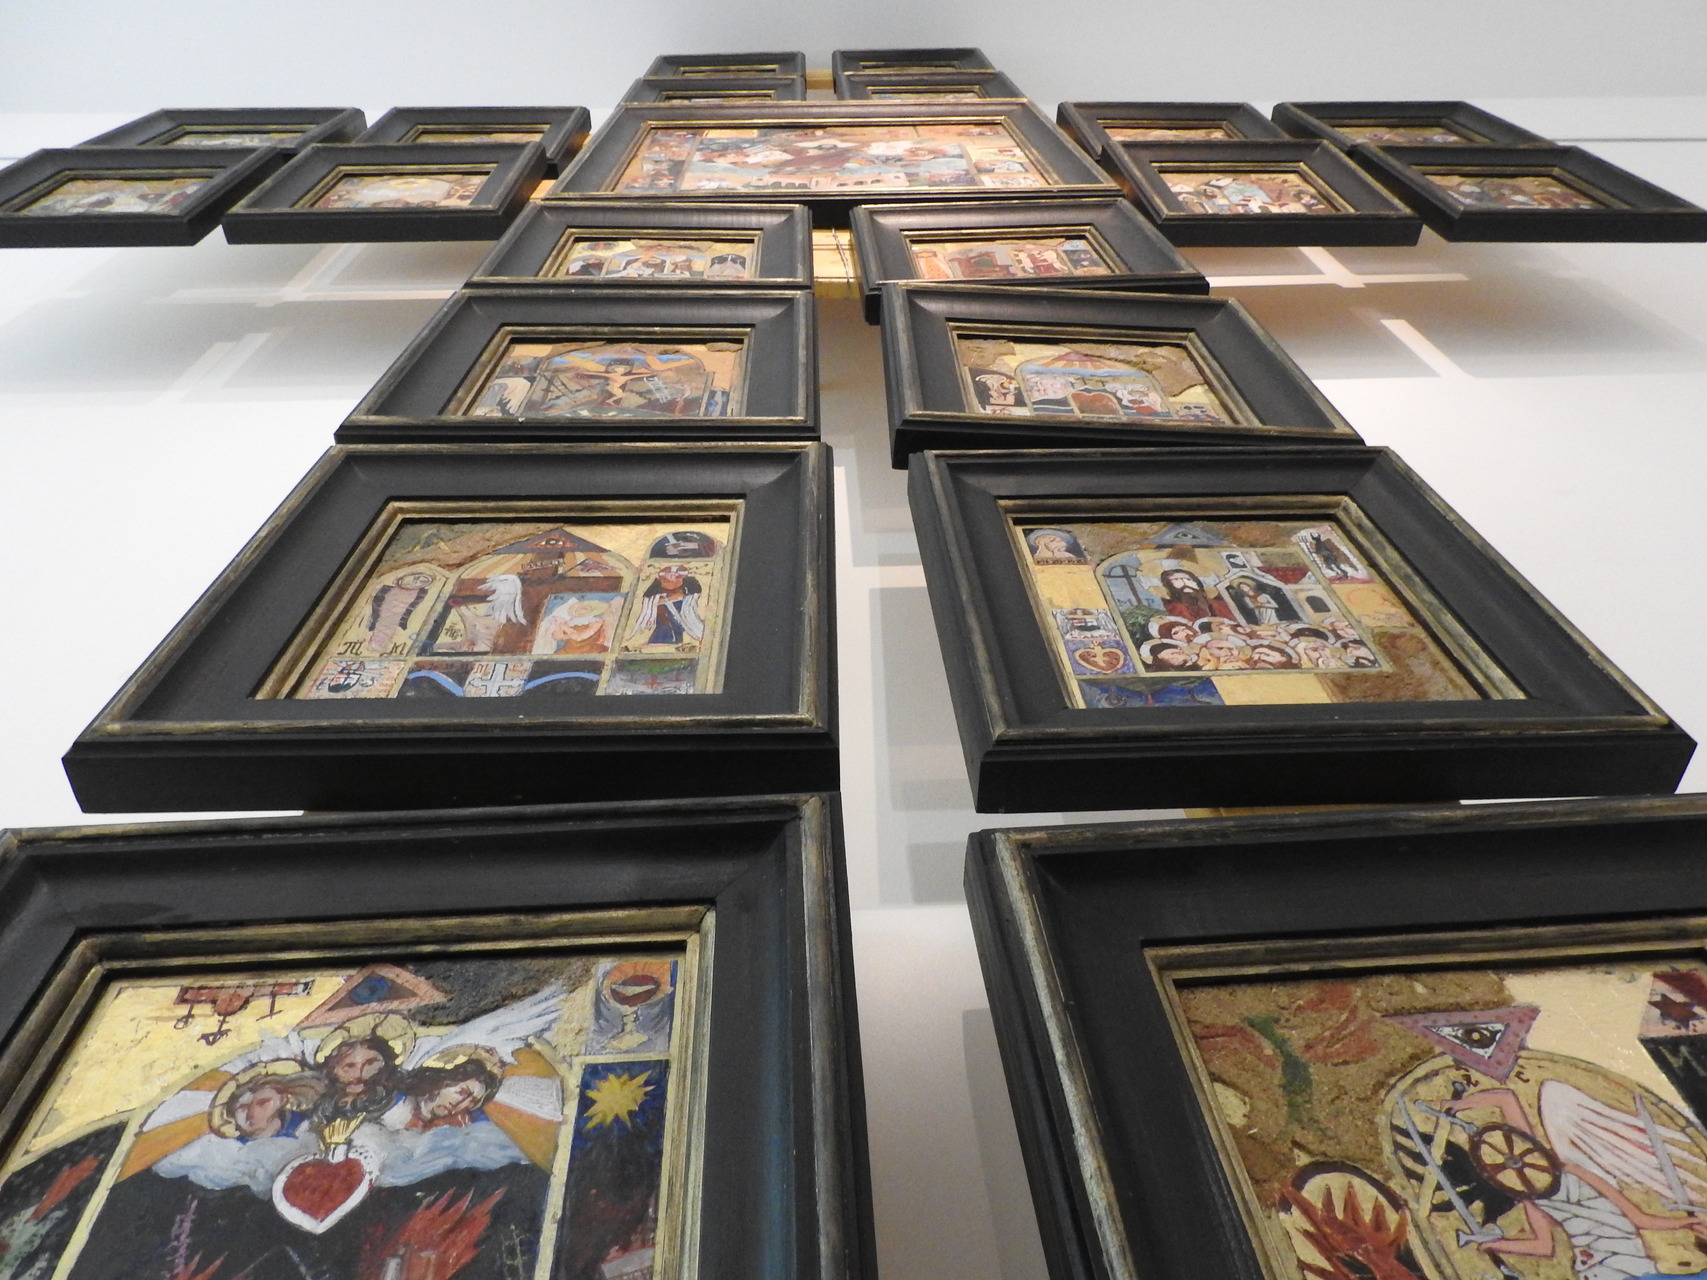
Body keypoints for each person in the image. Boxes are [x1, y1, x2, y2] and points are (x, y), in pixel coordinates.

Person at [1159, 568, 1234, 623]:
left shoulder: (1217, 604)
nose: (1184, 582)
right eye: (1176, 579)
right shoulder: (1176, 608)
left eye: (1188, 579)